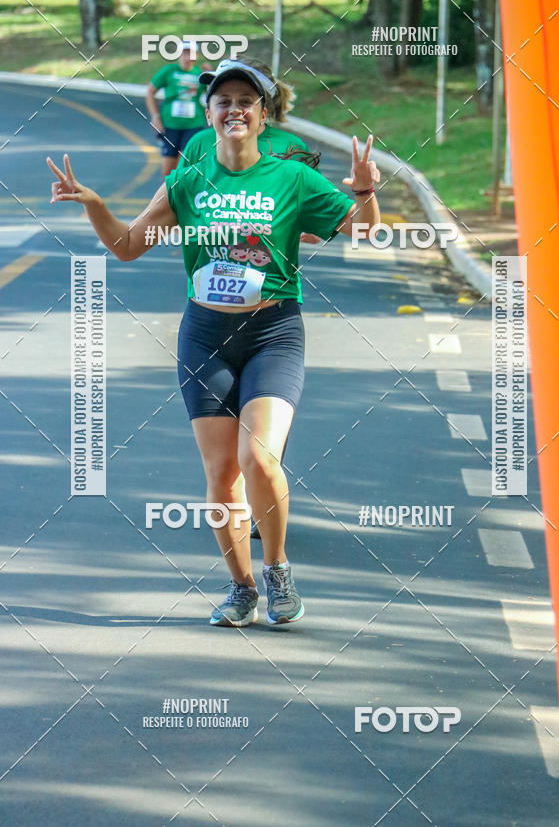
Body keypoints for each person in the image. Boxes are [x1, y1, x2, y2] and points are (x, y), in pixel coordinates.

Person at [47, 60, 381, 629]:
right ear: (209, 114)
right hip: (204, 335)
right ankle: (242, 587)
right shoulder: (188, 180)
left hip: (273, 330)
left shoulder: (291, 177)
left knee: (259, 458)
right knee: (222, 473)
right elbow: (129, 246)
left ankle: (277, 570)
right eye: (223, 100)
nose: (234, 109)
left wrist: (365, 188)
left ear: (262, 114)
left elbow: (366, 229)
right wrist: (95, 205)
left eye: (246, 101)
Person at [173, 58, 313, 176]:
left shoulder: (290, 145)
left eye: (245, 100)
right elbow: (179, 198)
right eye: (222, 96)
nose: (233, 109)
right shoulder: (200, 142)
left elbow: (313, 202)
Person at [145, 41, 208, 176]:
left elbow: (213, 95)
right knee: (168, 168)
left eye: (191, 54)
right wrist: (155, 116)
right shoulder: (169, 71)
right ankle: (167, 196)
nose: (187, 57)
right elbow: (150, 91)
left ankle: (182, 195)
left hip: (193, 125)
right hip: (170, 124)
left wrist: (210, 76)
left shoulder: (200, 73)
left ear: (196, 55)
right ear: (179, 55)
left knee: (185, 165)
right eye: (185, 54)